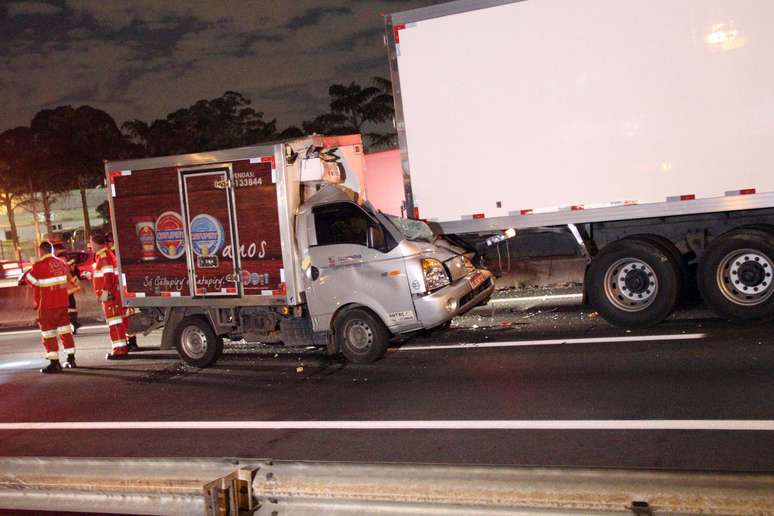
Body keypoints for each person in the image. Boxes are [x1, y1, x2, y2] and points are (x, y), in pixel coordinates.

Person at [24, 241, 77, 373]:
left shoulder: (39, 265)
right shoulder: (61, 263)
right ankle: (71, 359)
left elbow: (29, 279)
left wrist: (34, 269)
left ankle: (55, 363)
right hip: (63, 303)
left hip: (47, 305)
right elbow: (69, 280)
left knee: (48, 334)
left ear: (41, 251)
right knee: (65, 331)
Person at [90, 232, 129, 360]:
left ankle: (119, 350)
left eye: (91, 243)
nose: (90, 246)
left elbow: (108, 276)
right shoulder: (106, 255)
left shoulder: (103, 257)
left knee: (115, 322)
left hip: (110, 296)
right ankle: (121, 347)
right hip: (112, 294)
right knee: (117, 321)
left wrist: (105, 292)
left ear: (95, 243)